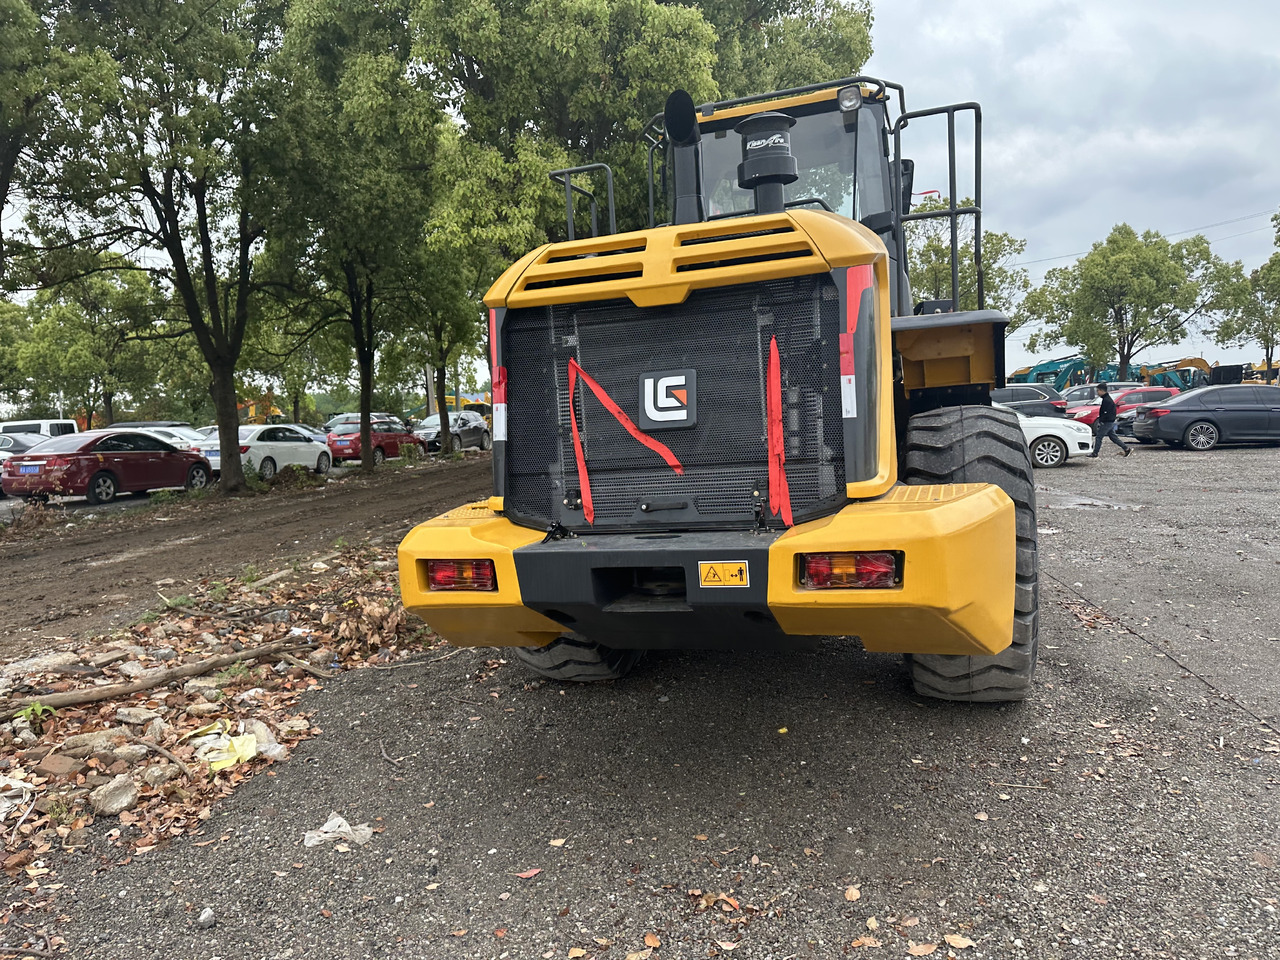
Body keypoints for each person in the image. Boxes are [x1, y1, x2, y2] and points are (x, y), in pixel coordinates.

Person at [1089, 382, 1130, 457]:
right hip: (1109, 421)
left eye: (1098, 391)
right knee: (1113, 437)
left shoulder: (1107, 400)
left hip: (1107, 422)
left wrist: (1102, 420)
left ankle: (1095, 453)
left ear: (1102, 390)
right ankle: (1126, 448)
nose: (1097, 393)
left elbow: (1107, 412)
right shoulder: (1107, 399)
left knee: (1099, 437)